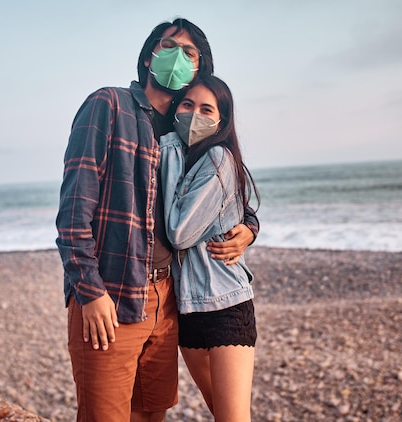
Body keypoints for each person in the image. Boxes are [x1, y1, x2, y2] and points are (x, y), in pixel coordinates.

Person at [55, 18, 259, 422]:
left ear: (199, 70)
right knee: (105, 415)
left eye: (189, 52)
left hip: (168, 299)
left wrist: (249, 230)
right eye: (169, 46)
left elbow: (225, 195)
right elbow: (73, 210)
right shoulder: (108, 105)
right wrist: (89, 291)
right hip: (112, 294)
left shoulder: (184, 130)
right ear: (151, 55)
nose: (177, 57)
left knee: (151, 413)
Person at [159, 75, 260, 421]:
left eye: (206, 109)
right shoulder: (189, 160)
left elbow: (180, 233)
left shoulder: (217, 157)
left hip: (225, 306)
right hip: (188, 310)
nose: (195, 114)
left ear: (221, 120)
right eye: (188, 104)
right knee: (222, 414)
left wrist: (170, 146)